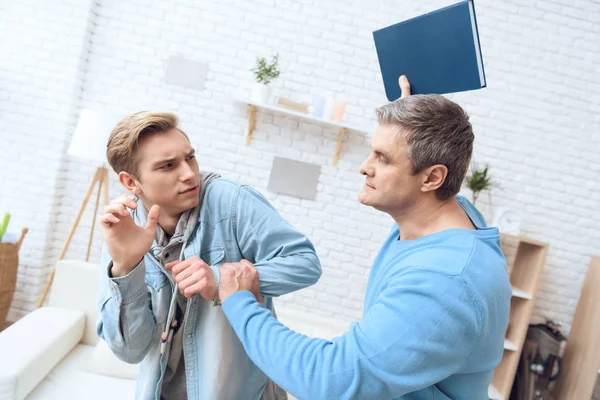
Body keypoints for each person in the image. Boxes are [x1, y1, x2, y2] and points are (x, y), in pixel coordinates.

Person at [215, 76, 513, 399]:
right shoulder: (446, 217)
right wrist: (414, 116)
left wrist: (240, 303)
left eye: (382, 158)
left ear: (432, 177)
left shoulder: (446, 281)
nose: (364, 167)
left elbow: (329, 379)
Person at [96, 111, 322, 400]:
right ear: (130, 182)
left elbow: (304, 262)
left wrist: (220, 279)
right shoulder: (121, 231)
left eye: (189, 157)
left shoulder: (230, 201)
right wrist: (126, 267)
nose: (189, 174)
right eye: (168, 166)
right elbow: (130, 351)